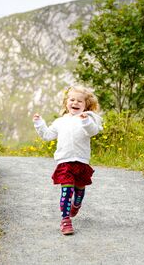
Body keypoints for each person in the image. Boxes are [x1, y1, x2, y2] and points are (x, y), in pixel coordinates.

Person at [32, 85, 103, 235]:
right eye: (72, 100)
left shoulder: (88, 118)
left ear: (86, 105)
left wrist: (85, 121)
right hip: (64, 161)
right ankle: (65, 220)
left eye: (79, 101)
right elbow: (47, 135)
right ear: (66, 103)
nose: (75, 103)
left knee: (79, 190)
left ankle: (76, 205)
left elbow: (93, 131)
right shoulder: (60, 122)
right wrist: (39, 123)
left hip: (82, 161)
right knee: (66, 190)